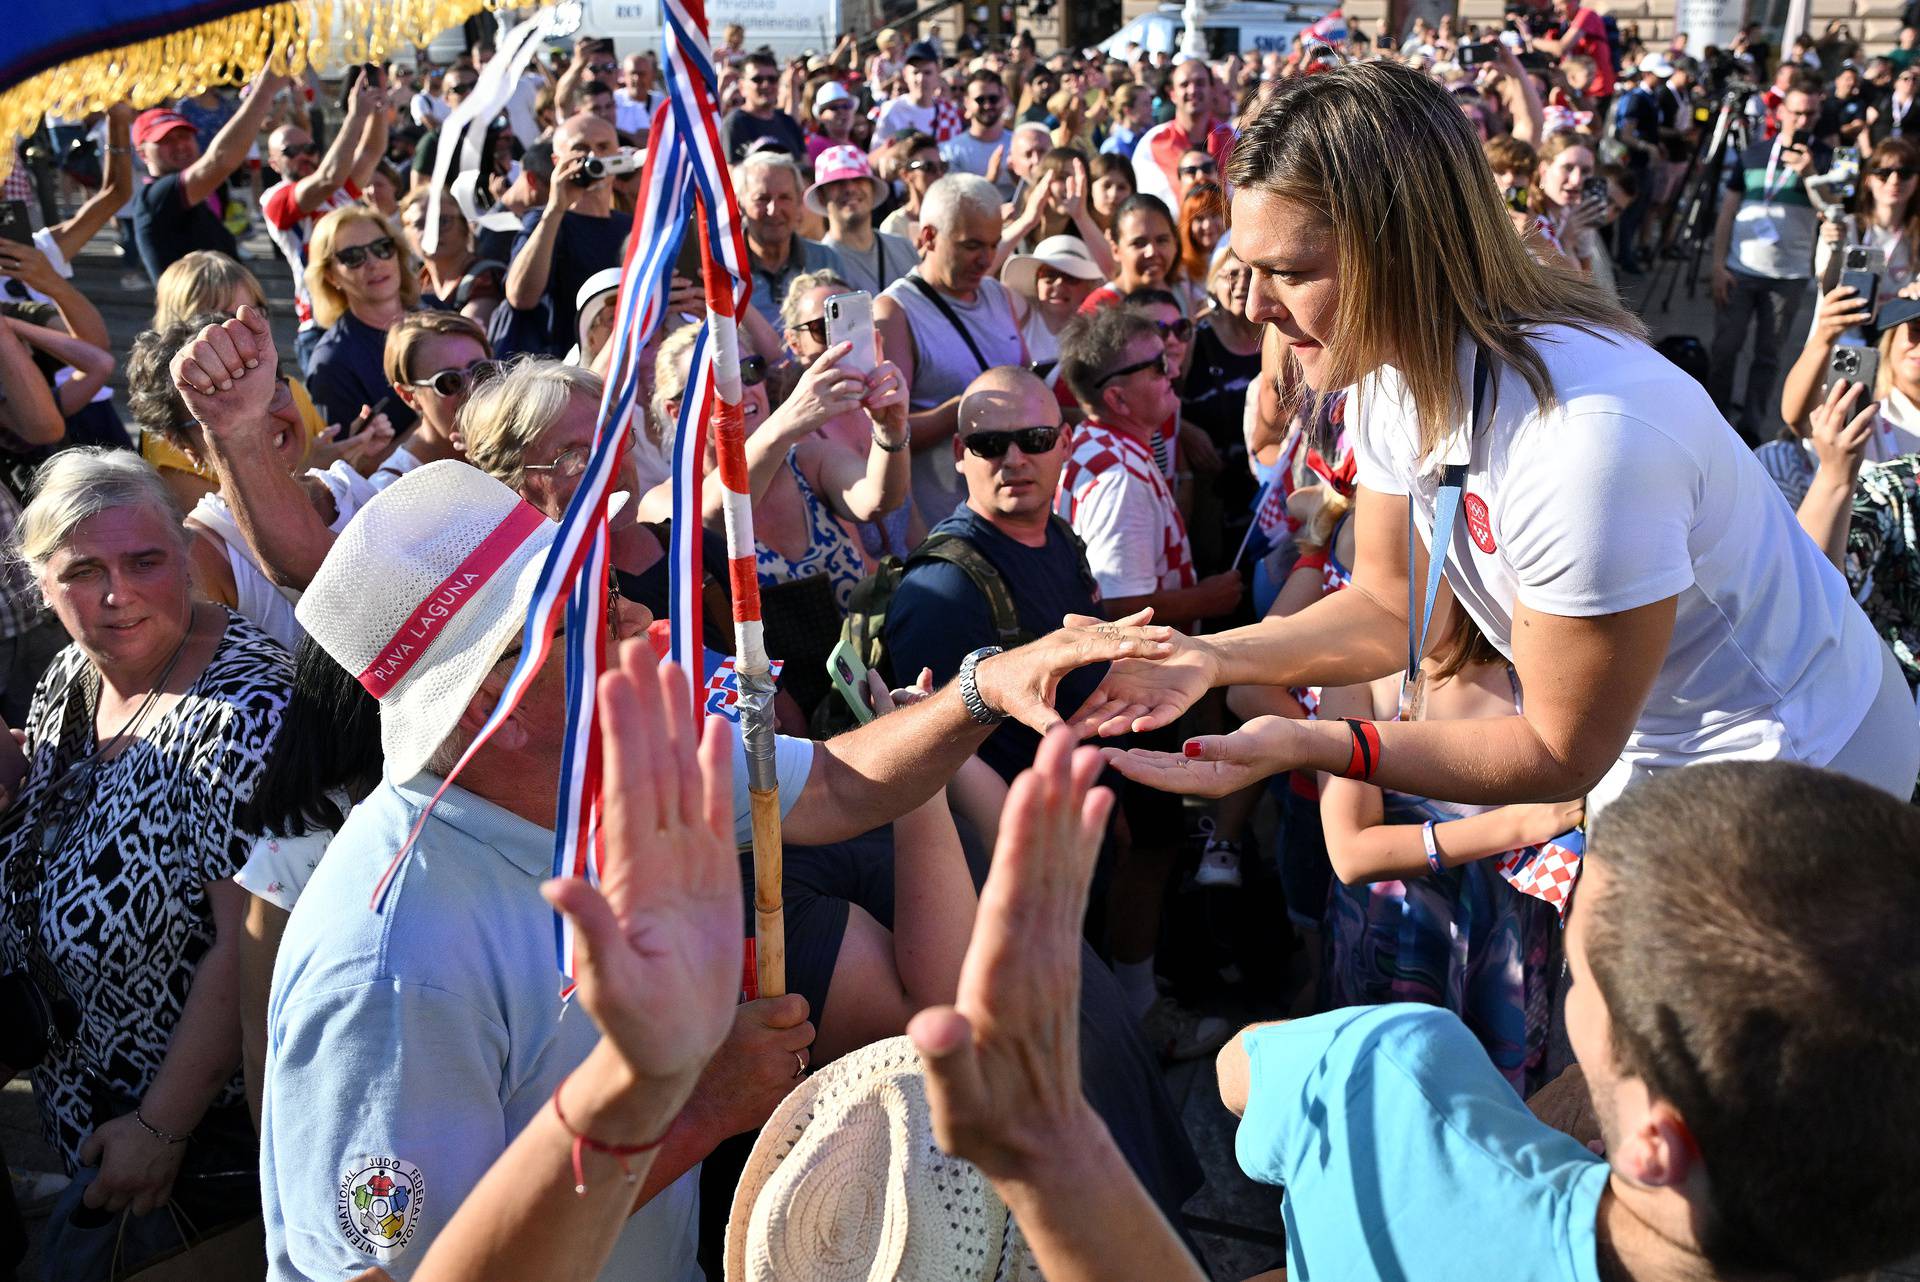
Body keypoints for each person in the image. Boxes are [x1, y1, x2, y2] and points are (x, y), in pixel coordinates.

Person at [1081, 60, 1918, 816]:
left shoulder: (1588, 445)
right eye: (1250, 267)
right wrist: (1210, 658)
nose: (1255, 307)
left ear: (1403, 252)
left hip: (1800, 764)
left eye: (1292, 273)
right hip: (1659, 748)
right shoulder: (1386, 374)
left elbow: (1558, 751)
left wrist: (1308, 743)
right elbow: (1387, 606)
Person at [1218, 762, 1920, 1282]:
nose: (1570, 986)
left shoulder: (1400, 1068)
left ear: (1657, 1146)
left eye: (1583, 974)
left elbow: (1238, 1072)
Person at [0, 449, 288, 1278]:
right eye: (83, 570)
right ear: (39, 583)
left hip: (183, 1146)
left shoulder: (245, 712)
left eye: (145, 562)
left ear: (187, 558)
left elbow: (249, 949)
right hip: (80, 1097)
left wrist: (160, 1129)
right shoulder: (72, 674)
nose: (118, 594)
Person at [1317, 602, 1579, 1092]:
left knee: (1498, 1111)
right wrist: (1518, 824)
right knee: (1394, 1101)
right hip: (1399, 937)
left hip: (1503, 941)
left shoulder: (1538, 673)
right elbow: (1352, 853)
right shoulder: (1358, 674)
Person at [126, 315, 398, 649]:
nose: (259, 418)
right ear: (182, 446)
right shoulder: (199, 558)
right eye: (219, 409)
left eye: (270, 393)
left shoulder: (346, 484)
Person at [877, 174, 1029, 525]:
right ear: (928, 236)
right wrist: (963, 411)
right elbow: (883, 432)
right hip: (943, 522)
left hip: (1009, 516)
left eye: (994, 245)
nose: (987, 259)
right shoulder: (895, 312)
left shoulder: (998, 295)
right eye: (972, 245)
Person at [1709, 74, 1833, 445]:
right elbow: (1727, 213)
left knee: (1768, 356)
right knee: (1725, 349)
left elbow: (1834, 211)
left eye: (1810, 115)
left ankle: (1751, 428)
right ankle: (1713, 421)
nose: (1802, 121)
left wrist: (1810, 174)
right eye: (1796, 113)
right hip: (1739, 269)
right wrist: (1717, 266)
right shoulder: (1753, 154)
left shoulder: (1825, 160)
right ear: (1780, 112)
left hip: (1789, 277)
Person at [263, 75, 389, 375]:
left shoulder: (337, 191)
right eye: (291, 152)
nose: (304, 156)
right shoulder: (276, 199)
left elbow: (371, 152)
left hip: (365, 315)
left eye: (310, 148)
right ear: (274, 164)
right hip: (321, 327)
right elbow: (328, 177)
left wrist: (378, 105)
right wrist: (356, 113)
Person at [131, 67, 290, 284]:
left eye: (185, 135)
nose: (179, 145)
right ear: (142, 153)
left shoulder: (211, 191)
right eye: (166, 140)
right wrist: (265, 91)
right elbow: (220, 160)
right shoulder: (156, 197)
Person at [504, 111, 635, 358]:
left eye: (603, 147)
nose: (594, 157)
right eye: (581, 149)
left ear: (619, 157)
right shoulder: (546, 220)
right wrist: (555, 208)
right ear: (557, 161)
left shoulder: (631, 226)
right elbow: (520, 296)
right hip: (567, 370)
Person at [304, 204, 422, 432]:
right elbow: (348, 465)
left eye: (382, 247)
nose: (374, 263)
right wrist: (434, 419)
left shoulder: (440, 315)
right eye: (353, 256)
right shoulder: (331, 363)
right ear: (330, 276)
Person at [735, 151, 847, 332]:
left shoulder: (826, 260)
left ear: (799, 202)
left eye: (784, 198)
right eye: (762, 199)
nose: (774, 210)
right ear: (740, 204)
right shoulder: (724, 269)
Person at [806, 145, 913, 297]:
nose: (850, 188)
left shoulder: (904, 247)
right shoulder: (817, 266)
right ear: (822, 197)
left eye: (858, 179)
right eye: (838, 182)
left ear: (872, 189)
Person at [1130, 58, 1222, 213]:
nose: (1192, 90)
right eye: (1184, 84)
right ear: (1172, 93)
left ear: (1212, 89)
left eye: (1200, 83)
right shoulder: (1152, 143)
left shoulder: (1234, 139)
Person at [1003, 234, 1106, 372]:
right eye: (1049, 275)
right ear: (1036, 283)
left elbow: (1114, 275)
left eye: (1070, 277)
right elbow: (980, 278)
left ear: (1088, 286)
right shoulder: (1023, 312)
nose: (1058, 284)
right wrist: (1027, 222)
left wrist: (1081, 218)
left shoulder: (1098, 326)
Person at [1081, 194, 1182, 313]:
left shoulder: (1182, 294)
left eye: (1162, 240)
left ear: (1175, 243)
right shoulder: (1098, 309)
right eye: (1139, 243)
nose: (1152, 252)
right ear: (1115, 249)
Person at [720, 51, 807, 161]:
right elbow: (732, 173)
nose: (766, 85)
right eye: (757, 79)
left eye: (772, 79)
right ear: (742, 86)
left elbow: (805, 167)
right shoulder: (734, 124)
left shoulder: (788, 122)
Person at [1527, 0, 1618, 104]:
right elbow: (1545, 51)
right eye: (1555, 5)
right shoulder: (1564, 24)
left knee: (1589, 119)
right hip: (1576, 87)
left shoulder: (1587, 15)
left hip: (1596, 88)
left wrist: (1530, 39)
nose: (1557, 10)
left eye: (1561, 4)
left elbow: (1561, 48)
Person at [941, 71, 1014, 199]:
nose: (987, 105)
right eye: (980, 100)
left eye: (993, 99)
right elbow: (954, 198)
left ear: (1002, 100)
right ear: (967, 102)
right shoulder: (951, 150)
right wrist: (989, 180)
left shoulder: (1018, 144)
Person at [872, 44, 945, 146]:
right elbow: (876, 154)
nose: (921, 79)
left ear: (937, 73)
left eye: (927, 72)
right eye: (915, 72)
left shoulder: (948, 111)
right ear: (905, 74)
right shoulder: (892, 109)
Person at [877, 132, 944, 241]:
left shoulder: (951, 217)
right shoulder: (894, 226)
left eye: (942, 166)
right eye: (928, 167)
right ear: (906, 175)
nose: (939, 174)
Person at [804, 81, 858, 163]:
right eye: (834, 107)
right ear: (821, 116)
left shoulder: (853, 146)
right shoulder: (818, 146)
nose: (841, 111)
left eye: (847, 106)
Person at [1101, 83, 1155, 160]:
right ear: (1128, 110)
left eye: (1150, 103)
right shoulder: (1114, 147)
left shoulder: (1150, 134)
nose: (1151, 108)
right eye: (1145, 104)